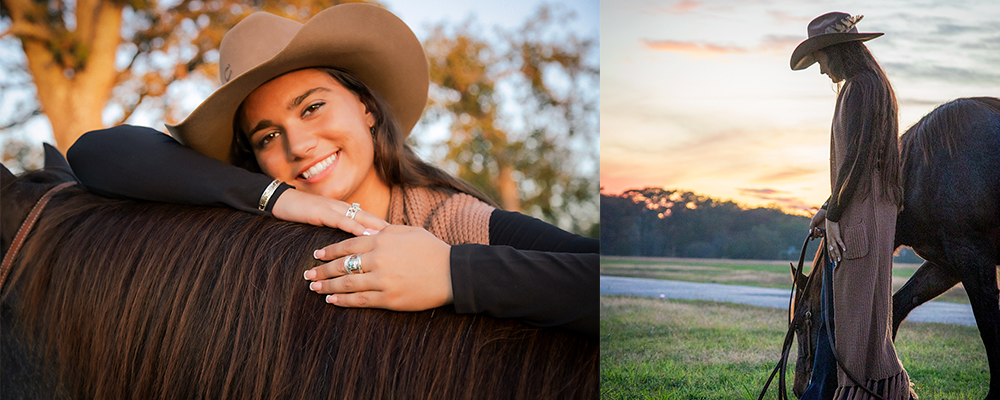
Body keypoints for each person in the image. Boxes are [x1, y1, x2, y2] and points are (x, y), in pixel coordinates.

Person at [66, 4, 597, 337]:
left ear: (365, 107)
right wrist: (280, 198)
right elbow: (95, 153)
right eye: (267, 136)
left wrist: (453, 273)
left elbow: (610, 287)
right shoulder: (257, 219)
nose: (297, 144)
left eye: (312, 107)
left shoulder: (451, 219)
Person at [791, 12, 915, 400]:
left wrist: (836, 216)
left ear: (836, 51)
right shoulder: (862, 86)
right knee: (838, 317)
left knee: (851, 319)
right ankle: (822, 392)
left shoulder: (863, 87)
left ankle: (853, 393)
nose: (821, 69)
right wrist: (828, 208)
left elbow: (859, 160)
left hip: (859, 217)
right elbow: (852, 163)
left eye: (821, 59)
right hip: (857, 211)